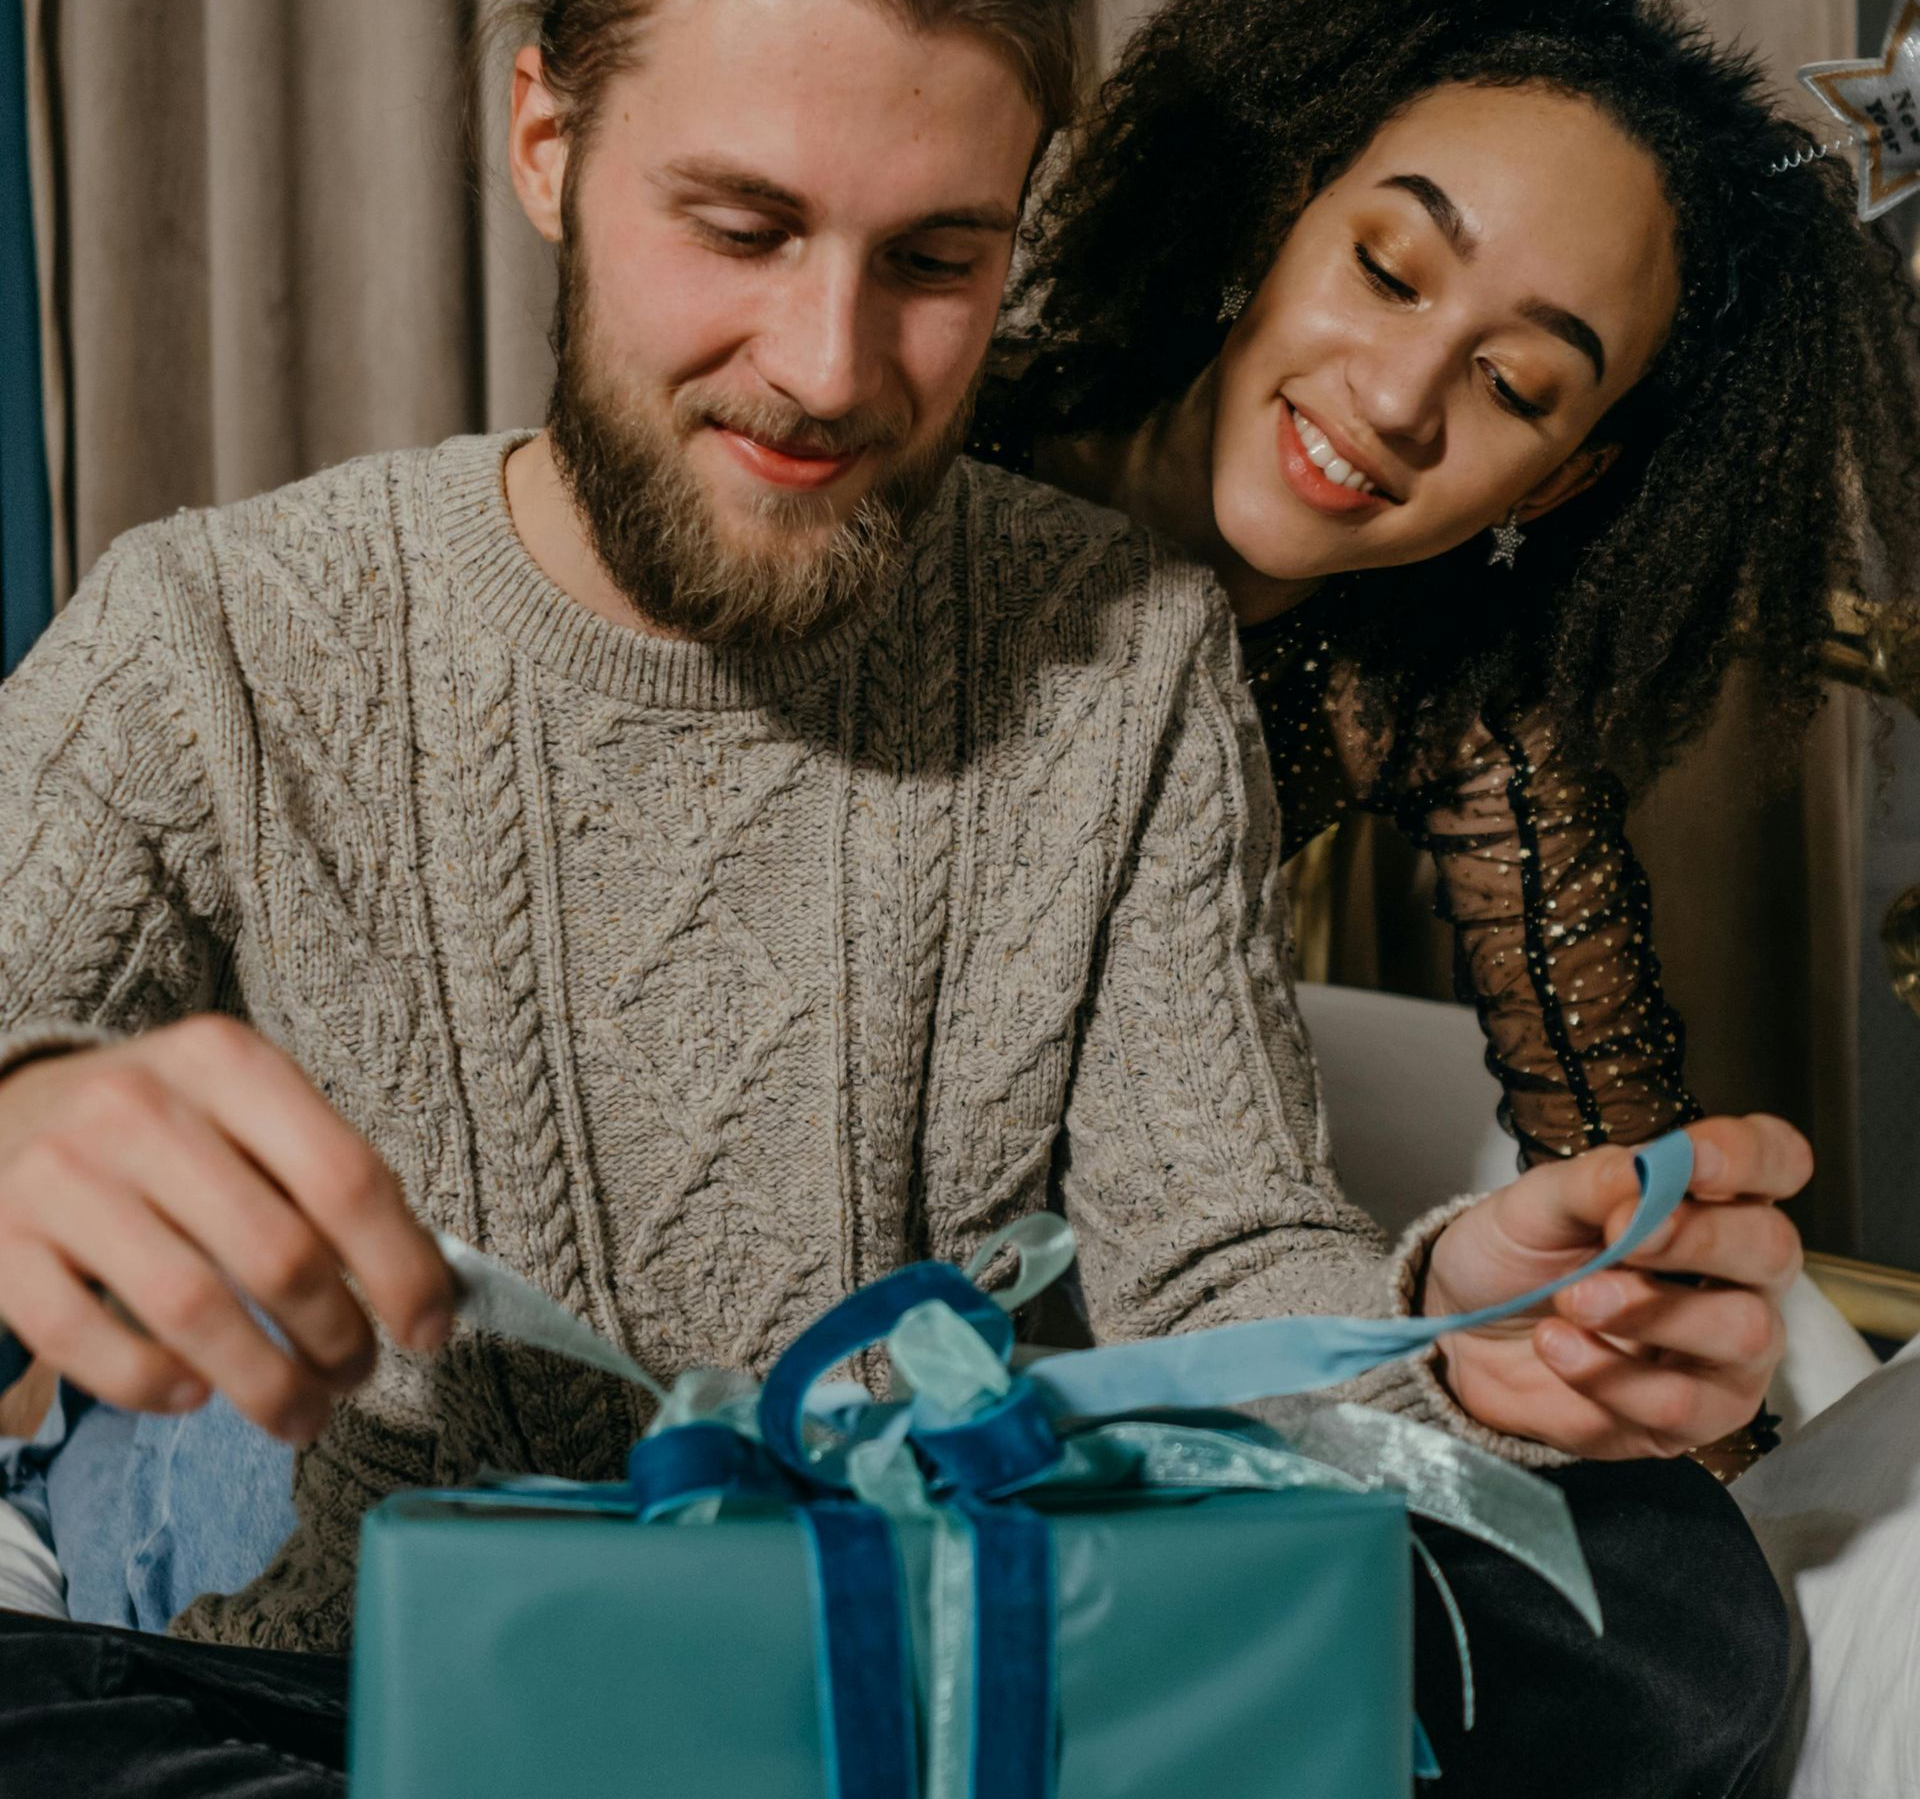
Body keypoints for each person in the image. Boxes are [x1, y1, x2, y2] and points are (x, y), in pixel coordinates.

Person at [0, 0, 1803, 1793]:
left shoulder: (1129, 651)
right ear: (547, 142)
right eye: (742, 227)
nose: (827, 366)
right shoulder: (213, 631)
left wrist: (1445, 1340)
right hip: (382, 1677)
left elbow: (1211, 1257)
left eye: (938, 258)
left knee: (1672, 1604)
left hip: (915, 1628)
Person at [976, 0, 1920, 1187]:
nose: (1396, 401)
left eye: (1516, 386)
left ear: (1562, 475)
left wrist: (1642, 1282)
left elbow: (1611, 1165)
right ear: (1281, 211)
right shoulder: (921, 454)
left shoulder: (1432, 700)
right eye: (1387, 271)